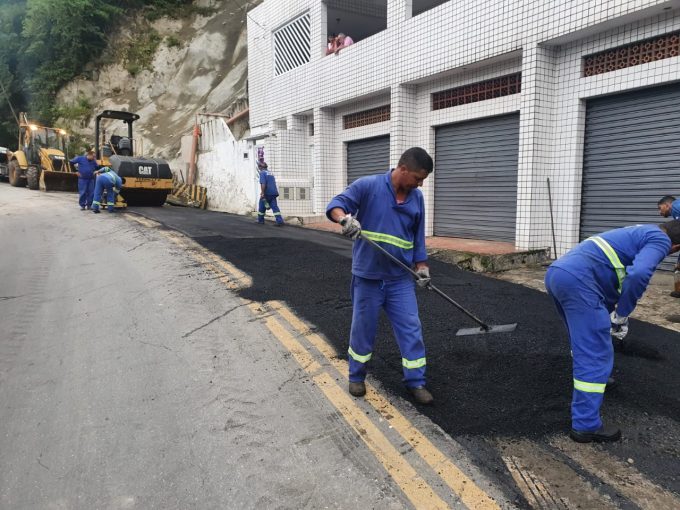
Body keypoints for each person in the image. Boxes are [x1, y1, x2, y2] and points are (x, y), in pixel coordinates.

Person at [545, 221, 680, 443]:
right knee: (596, 352)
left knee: (584, 337)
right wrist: (623, 314)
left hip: (558, 274)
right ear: (675, 248)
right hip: (579, 283)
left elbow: (608, 272)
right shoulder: (661, 240)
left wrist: (610, 313)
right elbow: (639, 274)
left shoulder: (638, 231)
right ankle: (586, 426)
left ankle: (599, 378)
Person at [326, 147, 434, 405]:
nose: (419, 184)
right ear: (403, 169)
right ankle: (356, 376)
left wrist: (421, 267)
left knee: (411, 328)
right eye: (418, 178)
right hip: (368, 278)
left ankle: (416, 382)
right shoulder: (368, 186)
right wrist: (344, 220)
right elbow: (335, 205)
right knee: (363, 328)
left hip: (400, 279)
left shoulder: (416, 198)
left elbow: (418, 238)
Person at [257, 160, 284, 226]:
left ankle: (260, 220)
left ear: (260, 167)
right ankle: (279, 221)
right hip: (274, 192)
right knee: (275, 207)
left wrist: (262, 192)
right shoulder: (270, 173)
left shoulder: (262, 173)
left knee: (261, 205)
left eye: (258, 167)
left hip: (267, 192)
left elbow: (263, 183)